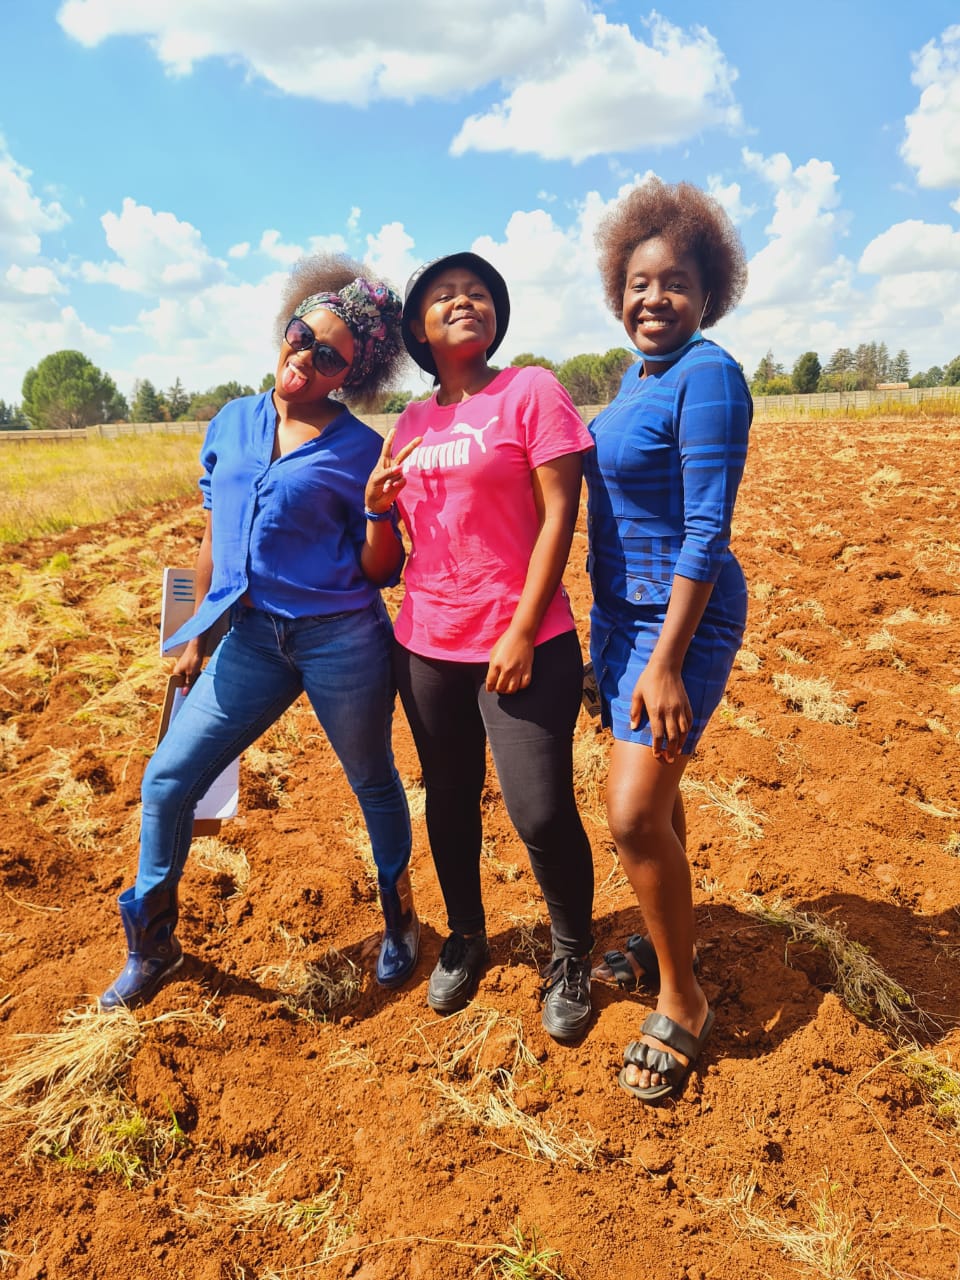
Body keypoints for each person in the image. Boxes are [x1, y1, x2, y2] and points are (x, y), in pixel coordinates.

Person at [100, 254, 419, 1010]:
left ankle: (401, 920)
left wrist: (377, 509)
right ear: (286, 328)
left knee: (371, 779)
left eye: (329, 355)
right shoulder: (232, 422)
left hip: (342, 638)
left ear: (350, 374)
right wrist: (194, 633)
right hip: (250, 637)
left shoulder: (359, 449)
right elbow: (214, 537)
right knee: (167, 778)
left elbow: (381, 569)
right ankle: (153, 946)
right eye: (300, 335)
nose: (305, 357)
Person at [363, 252, 596, 1042]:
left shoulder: (530, 391)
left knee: (540, 810)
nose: (465, 302)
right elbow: (393, 556)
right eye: (445, 296)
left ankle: (572, 953)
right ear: (419, 328)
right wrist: (376, 509)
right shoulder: (411, 424)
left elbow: (559, 515)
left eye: (478, 294)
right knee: (449, 799)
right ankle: (466, 935)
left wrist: (523, 630)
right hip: (427, 644)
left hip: (526, 641)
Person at [585, 179, 751, 1101]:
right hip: (623, 619)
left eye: (676, 283)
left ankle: (684, 998)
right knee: (659, 798)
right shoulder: (638, 377)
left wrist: (666, 662)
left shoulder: (707, 375)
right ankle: (662, 944)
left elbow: (705, 530)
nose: (654, 300)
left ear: (708, 293)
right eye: (639, 284)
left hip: (679, 619)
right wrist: (610, 646)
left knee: (633, 814)